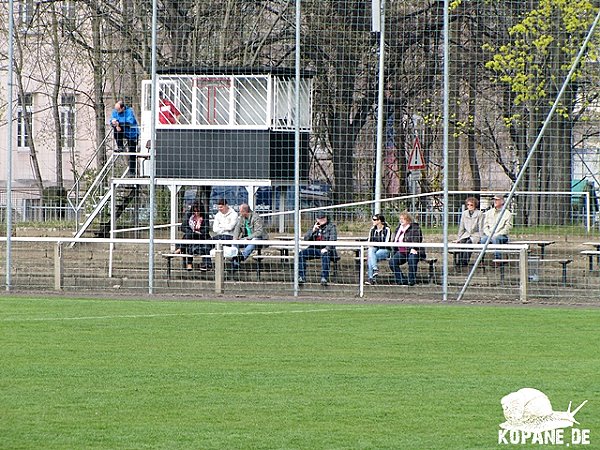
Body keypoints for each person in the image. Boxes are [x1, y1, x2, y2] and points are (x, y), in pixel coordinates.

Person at [298, 211, 338, 286]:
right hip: (314, 248)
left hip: (326, 249)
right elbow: (306, 239)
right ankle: (301, 277)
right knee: (301, 254)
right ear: (317, 219)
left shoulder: (332, 226)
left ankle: (324, 277)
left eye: (323, 219)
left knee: (326, 255)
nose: (321, 221)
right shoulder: (314, 226)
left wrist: (326, 248)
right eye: (320, 219)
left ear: (326, 218)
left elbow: (333, 240)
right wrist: (313, 231)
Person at [389, 211, 426, 286]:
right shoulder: (398, 229)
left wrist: (413, 247)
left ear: (408, 220)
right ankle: (401, 280)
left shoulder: (415, 228)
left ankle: (411, 281)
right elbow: (395, 241)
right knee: (392, 262)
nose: (401, 220)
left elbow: (417, 239)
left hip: (413, 250)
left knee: (412, 259)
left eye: (403, 219)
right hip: (402, 252)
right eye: (400, 219)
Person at [175, 201, 211, 271]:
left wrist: (197, 232)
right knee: (189, 238)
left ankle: (180, 249)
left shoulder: (205, 216)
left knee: (188, 237)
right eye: (195, 211)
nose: (196, 213)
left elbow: (206, 230)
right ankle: (189, 263)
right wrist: (192, 232)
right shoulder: (189, 216)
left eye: (198, 211)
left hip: (201, 237)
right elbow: (183, 227)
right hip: (191, 236)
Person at [110, 100, 139, 176]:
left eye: (118, 110)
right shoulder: (115, 111)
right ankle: (120, 146)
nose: (117, 112)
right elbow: (112, 120)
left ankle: (132, 171)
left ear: (123, 108)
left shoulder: (129, 112)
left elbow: (129, 122)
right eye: (116, 110)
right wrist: (115, 124)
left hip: (131, 133)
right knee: (116, 131)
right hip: (122, 131)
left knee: (132, 152)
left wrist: (118, 123)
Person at [480, 194, 513, 260]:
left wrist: (497, 234)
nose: (495, 201)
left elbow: (508, 227)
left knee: (496, 239)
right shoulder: (488, 212)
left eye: (497, 200)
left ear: (502, 201)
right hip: (489, 235)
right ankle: (481, 259)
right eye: (494, 200)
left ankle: (498, 259)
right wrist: (489, 234)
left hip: (501, 236)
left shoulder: (508, 213)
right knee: (483, 239)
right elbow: (485, 226)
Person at [454, 196, 483, 267]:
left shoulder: (479, 214)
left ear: (475, 205)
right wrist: (459, 238)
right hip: (466, 233)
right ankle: (459, 261)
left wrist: (481, 238)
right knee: (462, 242)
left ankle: (465, 261)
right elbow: (461, 227)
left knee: (469, 243)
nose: (469, 206)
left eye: (471, 205)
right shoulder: (464, 213)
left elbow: (481, 227)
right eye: (468, 205)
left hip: (476, 234)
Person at [365, 213, 392, 285]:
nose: (373, 221)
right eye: (372, 219)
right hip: (374, 249)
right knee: (371, 252)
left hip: (385, 250)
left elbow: (386, 243)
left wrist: (376, 244)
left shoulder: (387, 229)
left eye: (375, 220)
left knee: (371, 256)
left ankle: (371, 278)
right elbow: (369, 241)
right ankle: (375, 269)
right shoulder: (372, 230)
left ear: (379, 221)